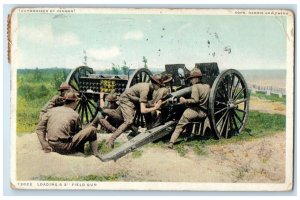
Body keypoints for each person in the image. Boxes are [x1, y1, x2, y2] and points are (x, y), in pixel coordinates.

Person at [106, 74, 166, 148]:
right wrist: (155, 107)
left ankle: (149, 133)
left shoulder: (151, 88)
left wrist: (155, 104)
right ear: (155, 84)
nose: (160, 87)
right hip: (126, 100)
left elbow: (147, 103)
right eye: (159, 85)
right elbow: (143, 110)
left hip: (134, 100)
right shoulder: (145, 90)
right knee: (129, 121)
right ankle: (111, 140)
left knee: (148, 114)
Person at [36, 91, 99, 157]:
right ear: (74, 102)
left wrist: (44, 143)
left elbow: (39, 128)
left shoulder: (51, 111)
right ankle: (95, 155)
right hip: (64, 147)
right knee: (92, 129)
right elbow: (78, 135)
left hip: (51, 145)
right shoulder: (75, 115)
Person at [167, 68, 210, 149]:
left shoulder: (195, 87)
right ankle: (187, 136)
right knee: (188, 114)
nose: (191, 81)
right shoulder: (207, 86)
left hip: (196, 111)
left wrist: (184, 100)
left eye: (192, 79)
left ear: (196, 78)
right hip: (204, 112)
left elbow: (195, 100)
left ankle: (171, 142)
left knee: (182, 121)